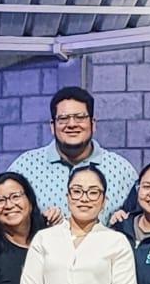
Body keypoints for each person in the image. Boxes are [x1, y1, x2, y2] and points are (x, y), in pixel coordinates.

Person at [7, 87, 138, 221]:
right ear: (52, 126)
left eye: (80, 117)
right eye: (63, 118)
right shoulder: (25, 168)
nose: (71, 124)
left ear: (93, 123)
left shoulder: (122, 170)